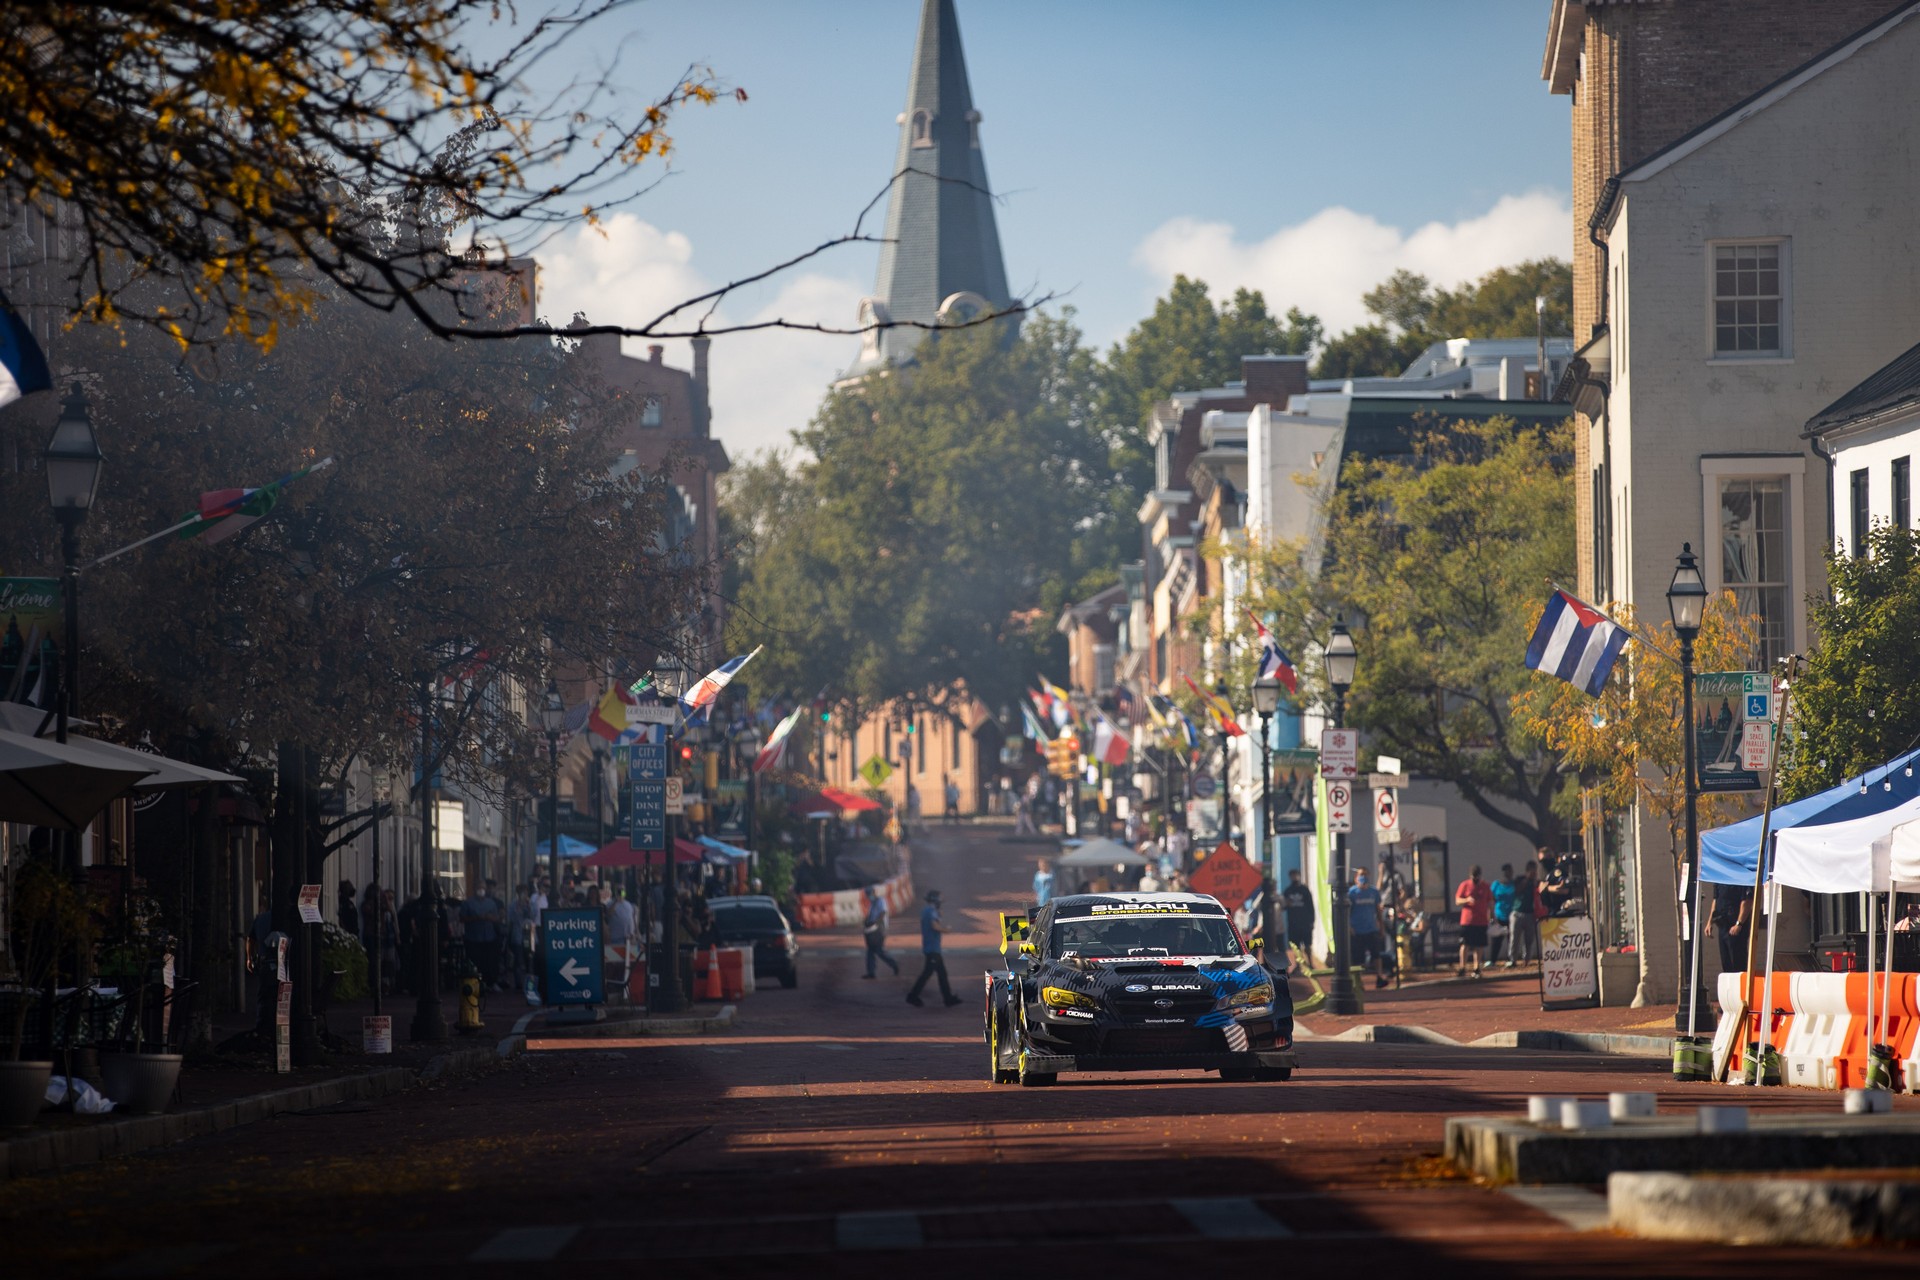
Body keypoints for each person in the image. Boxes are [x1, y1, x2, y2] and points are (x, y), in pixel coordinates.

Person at [906, 889, 963, 1007]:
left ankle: (948, 998)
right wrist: (946, 930)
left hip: (932, 948)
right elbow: (934, 926)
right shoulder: (931, 911)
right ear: (935, 901)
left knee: (942, 974)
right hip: (932, 949)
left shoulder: (927, 910)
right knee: (927, 974)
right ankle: (912, 996)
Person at [461, 879, 506, 989]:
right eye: (479, 888)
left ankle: (489, 983)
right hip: (473, 938)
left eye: (483, 888)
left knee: (489, 962)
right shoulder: (468, 903)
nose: (481, 890)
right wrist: (476, 918)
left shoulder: (491, 903)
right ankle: (474, 984)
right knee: (475, 963)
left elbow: (497, 918)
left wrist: (490, 918)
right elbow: (462, 918)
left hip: (489, 938)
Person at [1348, 868, 1388, 988]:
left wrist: (1381, 926)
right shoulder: (1352, 893)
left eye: (1365, 875)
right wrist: (1350, 927)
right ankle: (1358, 982)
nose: (1363, 877)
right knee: (1358, 958)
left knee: (1376, 954)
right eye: (1361, 875)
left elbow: (1378, 910)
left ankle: (1380, 977)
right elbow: (1347, 912)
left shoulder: (1373, 892)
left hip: (1371, 928)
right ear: (1356, 877)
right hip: (1357, 930)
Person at [1455, 865, 1493, 978]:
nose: (1475, 879)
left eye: (1477, 877)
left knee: (1479, 945)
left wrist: (1492, 916)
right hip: (1467, 921)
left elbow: (1490, 902)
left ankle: (1477, 968)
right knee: (1465, 944)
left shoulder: (1485, 886)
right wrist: (1467, 900)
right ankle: (1462, 967)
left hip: (1481, 921)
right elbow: (1457, 900)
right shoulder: (1465, 885)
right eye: (1473, 877)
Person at [1707, 882, 1753, 974]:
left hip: (1735, 926)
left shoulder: (1741, 878)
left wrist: (1739, 924)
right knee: (1725, 962)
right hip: (1722, 925)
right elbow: (1716, 900)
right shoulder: (1719, 878)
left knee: (1737, 962)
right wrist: (1709, 922)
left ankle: (1740, 987)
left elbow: (1746, 902)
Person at [861, 885, 899, 978]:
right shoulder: (872, 903)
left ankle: (894, 964)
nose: (868, 896)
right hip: (872, 929)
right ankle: (871, 972)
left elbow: (883, 913)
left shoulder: (880, 901)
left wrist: (876, 923)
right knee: (870, 951)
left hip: (880, 929)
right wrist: (867, 921)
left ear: (874, 893)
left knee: (879, 951)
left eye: (869, 894)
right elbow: (870, 915)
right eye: (867, 894)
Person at [1508, 858, 1540, 967]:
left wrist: (1535, 883)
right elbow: (1516, 891)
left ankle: (1527, 960)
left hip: (1530, 913)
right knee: (1514, 938)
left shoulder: (1536, 882)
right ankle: (1513, 960)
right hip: (1517, 912)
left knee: (1529, 939)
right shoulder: (1520, 879)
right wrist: (1527, 879)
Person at [1281, 869, 1314, 965]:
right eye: (1292, 876)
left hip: (1305, 922)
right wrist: (1287, 904)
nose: (1294, 877)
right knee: (1295, 946)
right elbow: (1283, 907)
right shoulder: (1287, 891)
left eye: (1296, 875)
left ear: (1299, 876)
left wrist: (1312, 921)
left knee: (1307, 945)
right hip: (1293, 923)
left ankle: (1310, 963)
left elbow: (1311, 906)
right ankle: (1298, 965)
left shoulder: (1305, 890)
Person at [1490, 865, 1517, 966]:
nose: (1509, 874)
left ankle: (1510, 959)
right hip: (1499, 916)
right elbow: (1491, 900)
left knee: (1512, 940)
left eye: (1511, 872)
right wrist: (1492, 916)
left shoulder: (1514, 885)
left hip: (1512, 916)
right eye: (1507, 872)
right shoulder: (1496, 885)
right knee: (1496, 940)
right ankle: (1493, 961)